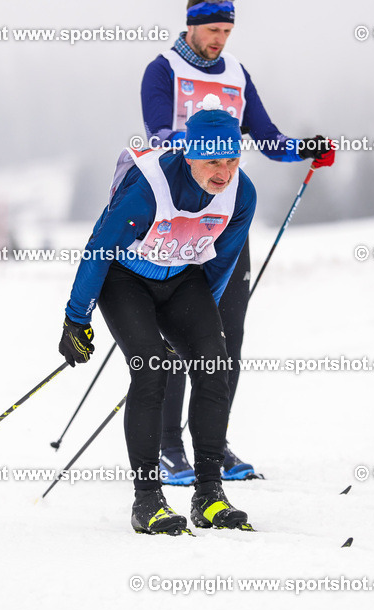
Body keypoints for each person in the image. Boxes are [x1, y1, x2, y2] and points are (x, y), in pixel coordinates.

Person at [141, 0, 336, 485]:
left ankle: (214, 443)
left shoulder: (236, 74)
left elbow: (266, 137)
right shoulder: (162, 71)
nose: (219, 40)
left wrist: (303, 148)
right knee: (177, 336)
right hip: (178, 221)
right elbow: (159, 138)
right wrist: (206, 144)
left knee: (227, 335)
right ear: (191, 24)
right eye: (212, 29)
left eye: (226, 31)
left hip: (225, 222)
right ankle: (169, 448)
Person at [59, 97, 256, 534]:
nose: (224, 173)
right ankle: (147, 500)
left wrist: (193, 331)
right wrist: (76, 319)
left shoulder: (241, 194)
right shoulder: (150, 186)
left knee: (214, 363)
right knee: (151, 369)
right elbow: (100, 248)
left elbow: (221, 263)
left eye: (232, 160)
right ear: (190, 153)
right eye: (213, 161)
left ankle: (209, 495)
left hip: (183, 277)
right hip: (125, 278)